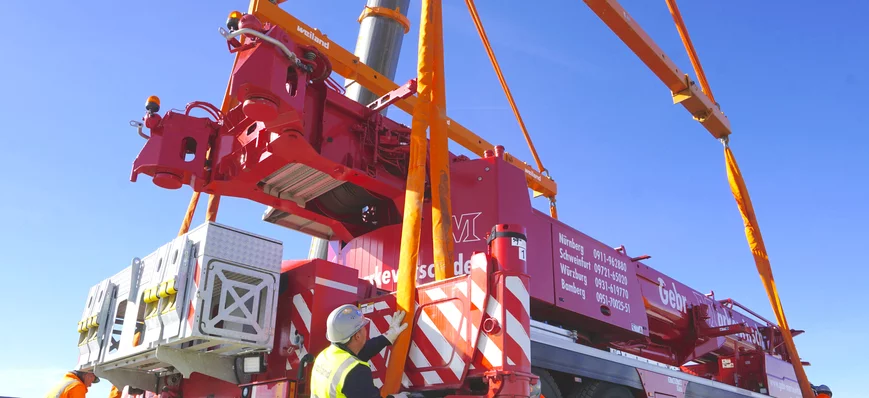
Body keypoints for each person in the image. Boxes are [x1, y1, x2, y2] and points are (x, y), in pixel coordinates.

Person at [310, 304, 409, 398]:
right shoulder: (355, 372)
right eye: (363, 327)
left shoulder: (325, 355)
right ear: (357, 336)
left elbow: (362, 352)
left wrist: (388, 336)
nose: (365, 330)